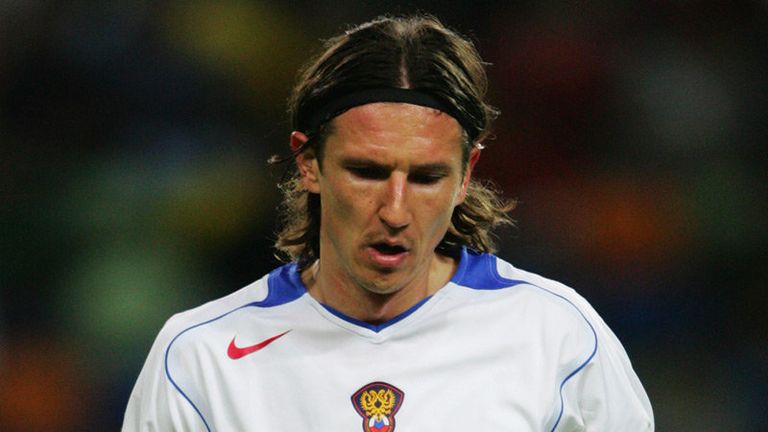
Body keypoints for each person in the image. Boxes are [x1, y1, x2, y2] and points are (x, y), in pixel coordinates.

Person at [122, 15, 654, 431]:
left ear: (466, 175)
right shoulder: (200, 360)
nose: (395, 211)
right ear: (308, 162)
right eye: (368, 172)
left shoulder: (559, 339)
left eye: (426, 177)